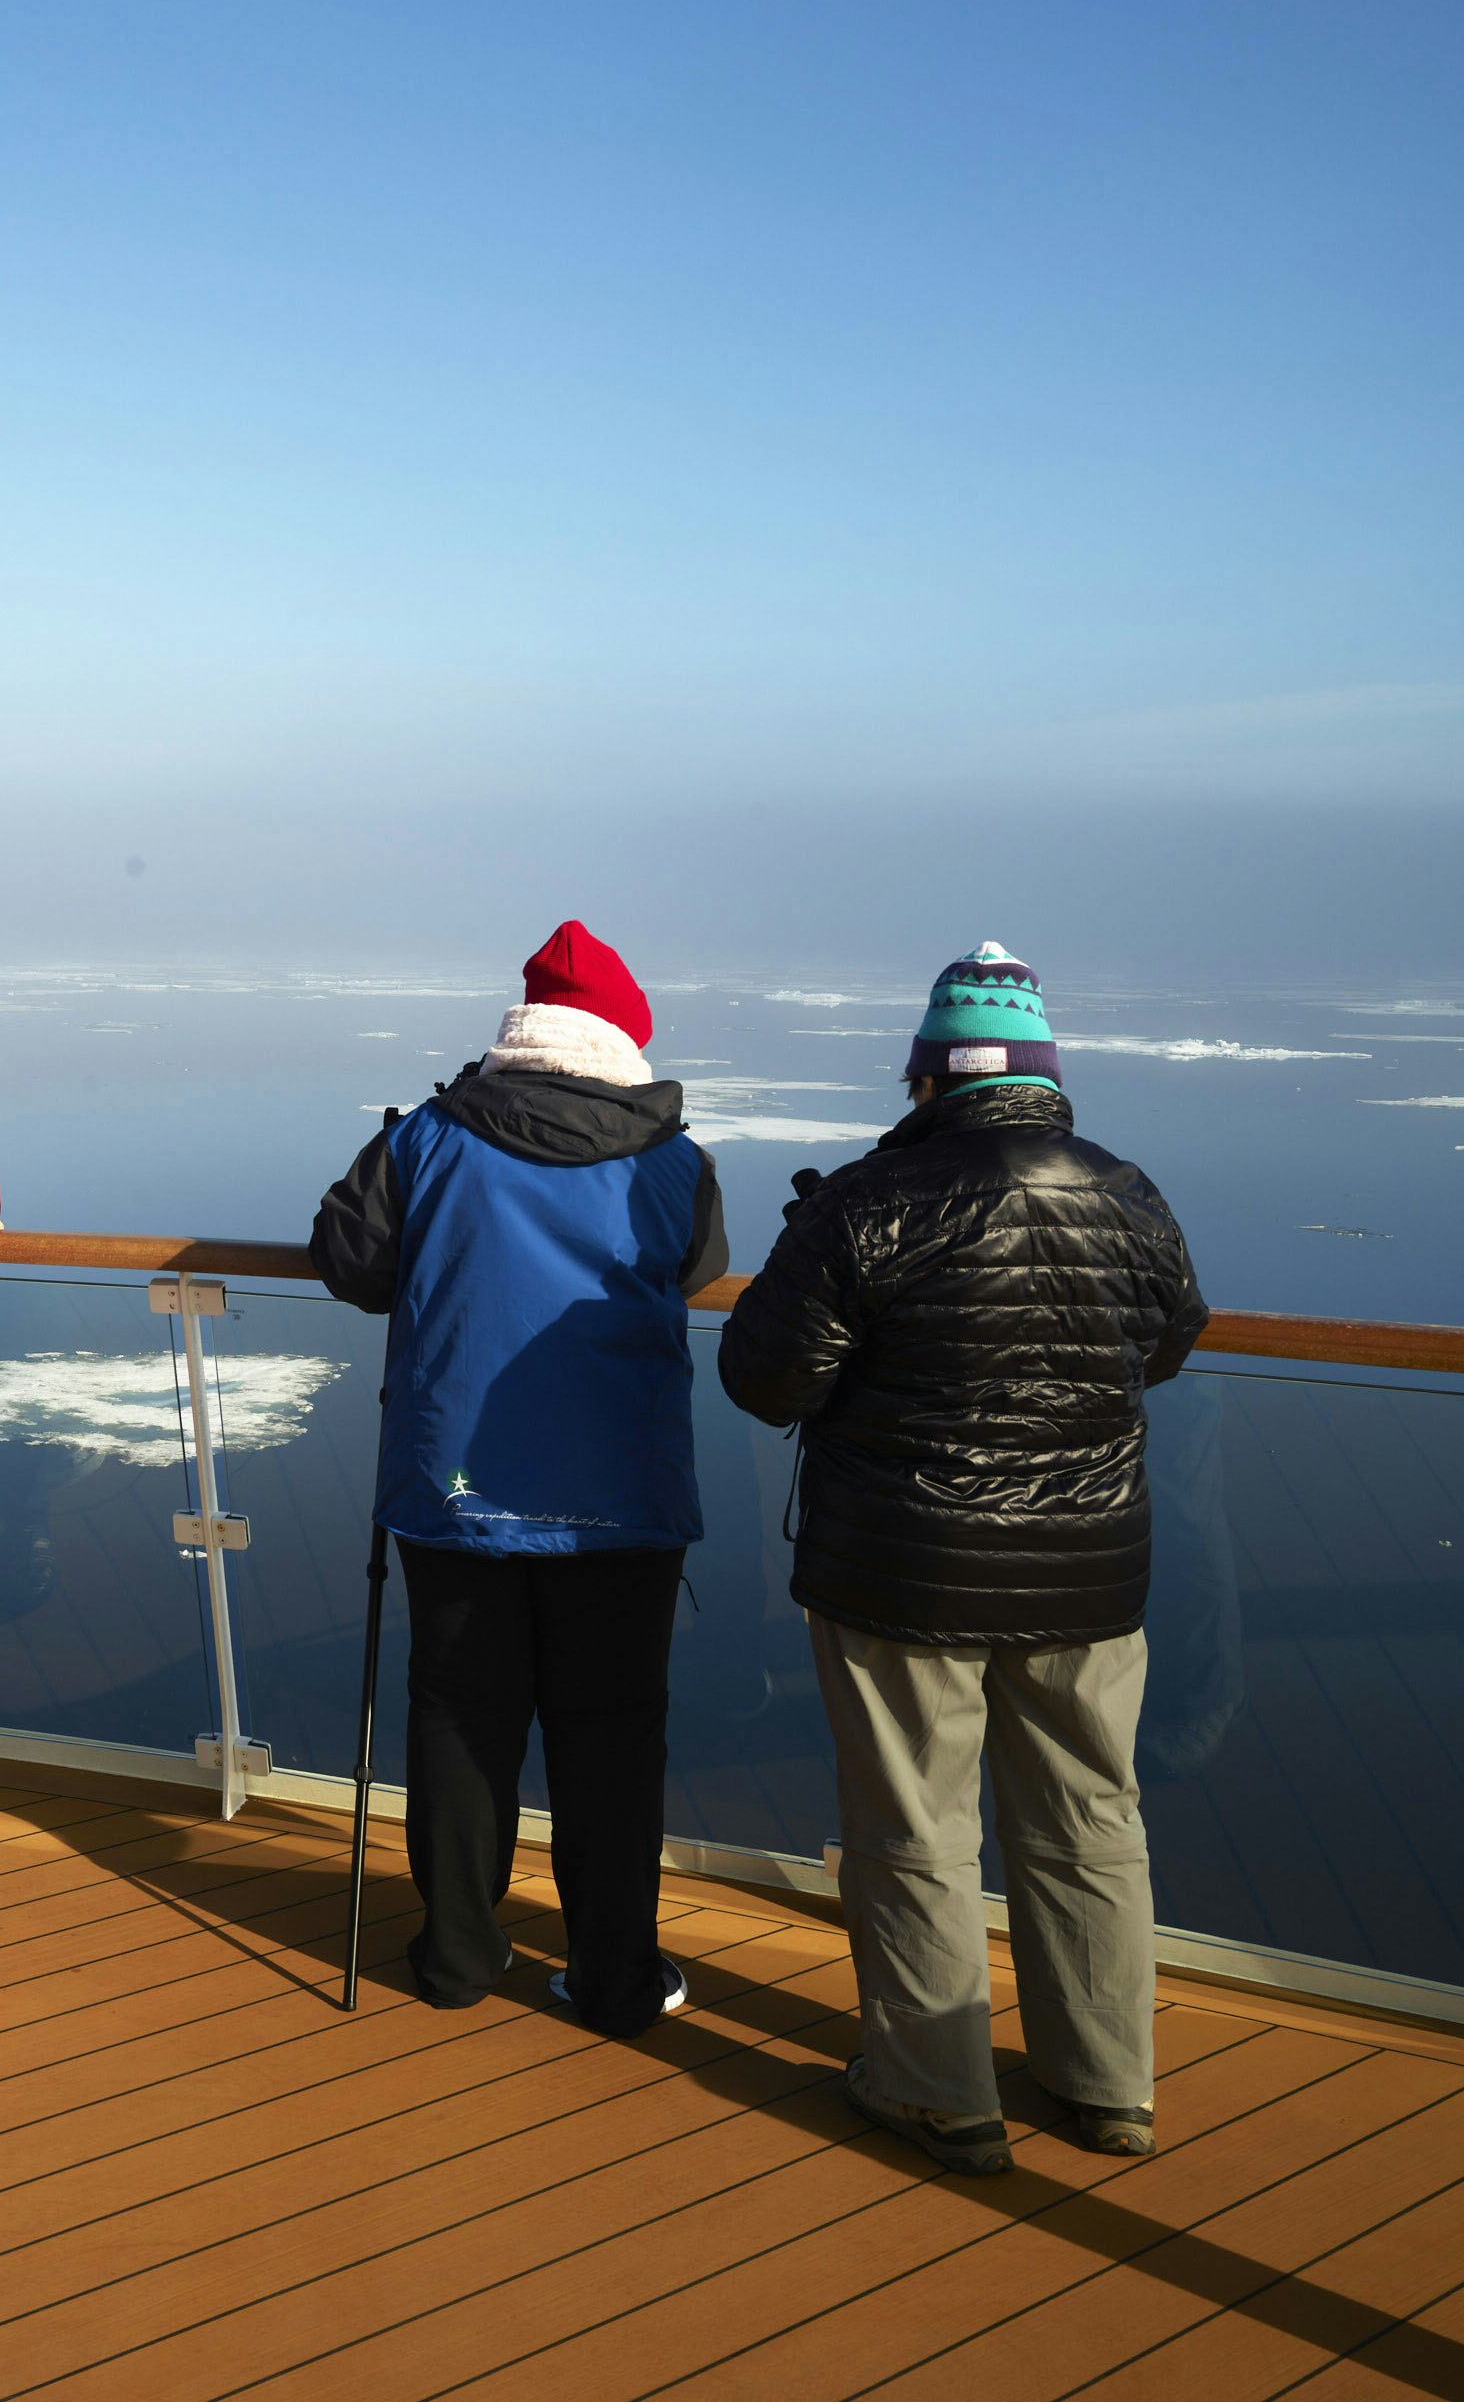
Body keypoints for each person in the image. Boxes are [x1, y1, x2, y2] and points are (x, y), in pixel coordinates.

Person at [722, 944, 1204, 2174]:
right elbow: (1166, 1344)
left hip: (904, 1571)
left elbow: (765, 1376)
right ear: (1043, 1074)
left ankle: (937, 2091)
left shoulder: (864, 1203)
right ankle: (1106, 2085)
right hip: (1088, 1571)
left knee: (913, 1828)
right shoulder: (1127, 1192)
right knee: (1092, 1818)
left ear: (928, 1076)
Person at [311, 919, 722, 2034]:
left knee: (457, 1715)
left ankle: (454, 1955)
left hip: (455, 1495)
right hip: (622, 1502)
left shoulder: (430, 1142)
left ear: (520, 1030)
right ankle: (613, 1978)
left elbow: (348, 1260)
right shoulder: (673, 1160)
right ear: (622, 1040)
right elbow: (701, 1270)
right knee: (611, 1733)